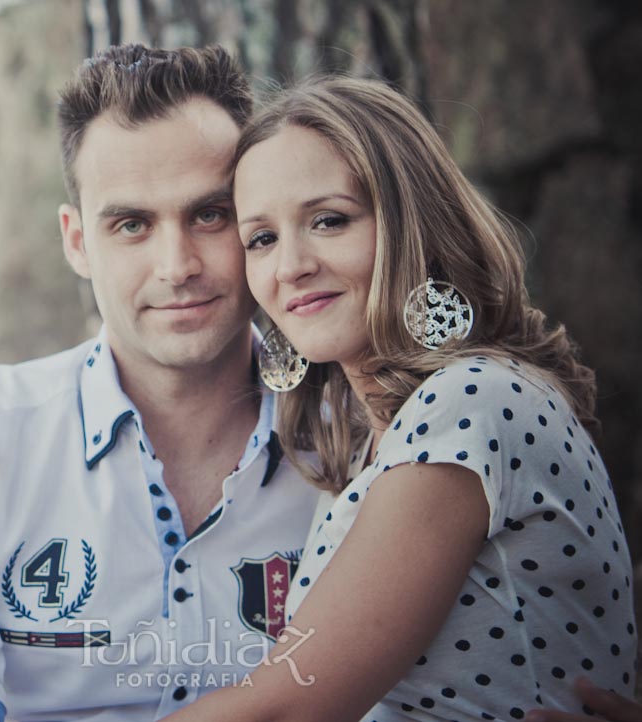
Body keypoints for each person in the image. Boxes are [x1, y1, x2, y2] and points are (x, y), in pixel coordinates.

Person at [0, 44, 321, 722]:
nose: (176, 265)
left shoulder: (357, 439)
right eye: (131, 224)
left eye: (209, 215)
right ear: (76, 242)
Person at [162, 77, 637, 722]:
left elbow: (285, 709)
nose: (291, 265)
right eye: (262, 239)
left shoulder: (473, 401)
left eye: (329, 220)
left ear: (410, 225)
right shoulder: (371, 442)